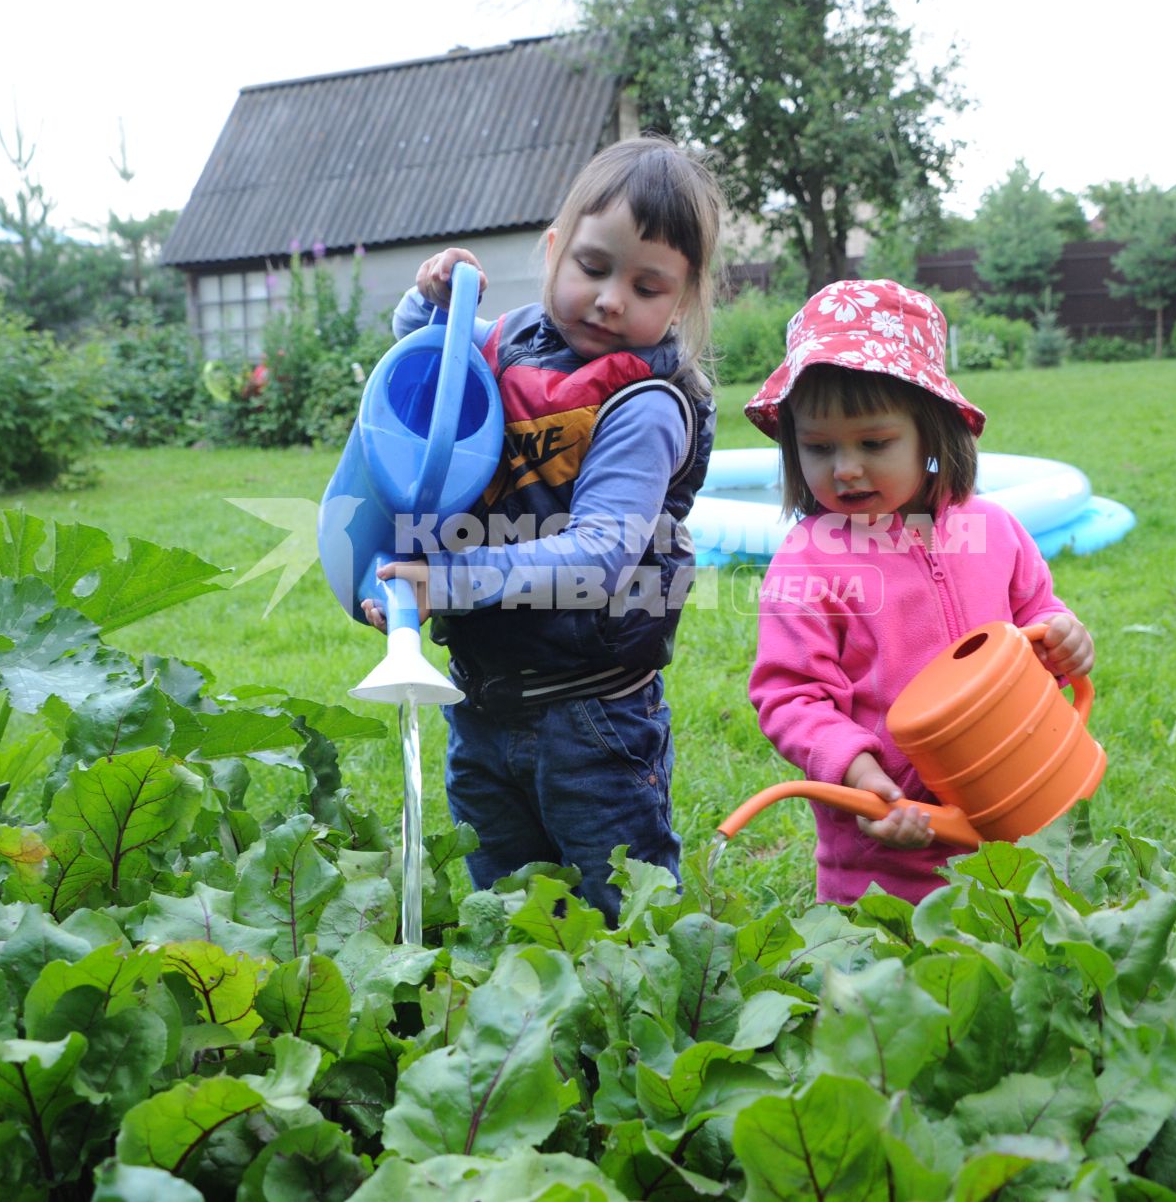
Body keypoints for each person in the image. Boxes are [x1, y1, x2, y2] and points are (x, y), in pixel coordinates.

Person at [360, 135, 724, 923]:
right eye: (593, 267)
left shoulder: (646, 405)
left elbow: (598, 553)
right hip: (482, 702)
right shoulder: (510, 344)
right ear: (554, 251)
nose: (611, 300)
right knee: (510, 906)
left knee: (623, 908)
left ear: (684, 301)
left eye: (647, 286)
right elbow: (428, 360)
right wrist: (431, 301)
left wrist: (447, 580)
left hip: (592, 719)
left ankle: (644, 1035)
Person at [744, 279, 1095, 905]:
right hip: (887, 850)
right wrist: (858, 772)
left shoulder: (994, 530)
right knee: (888, 990)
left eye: (874, 443)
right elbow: (791, 695)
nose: (845, 468)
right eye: (818, 448)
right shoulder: (811, 563)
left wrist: (1063, 637)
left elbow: (1036, 615)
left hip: (1016, 824)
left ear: (932, 431)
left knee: (1013, 968)